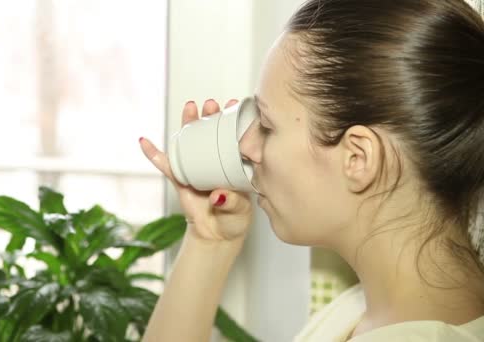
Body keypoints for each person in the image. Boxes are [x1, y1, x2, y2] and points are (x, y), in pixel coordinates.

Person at [138, 0, 484, 340]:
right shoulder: (363, 308)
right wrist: (210, 242)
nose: (245, 146)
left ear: (358, 158)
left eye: (267, 124)